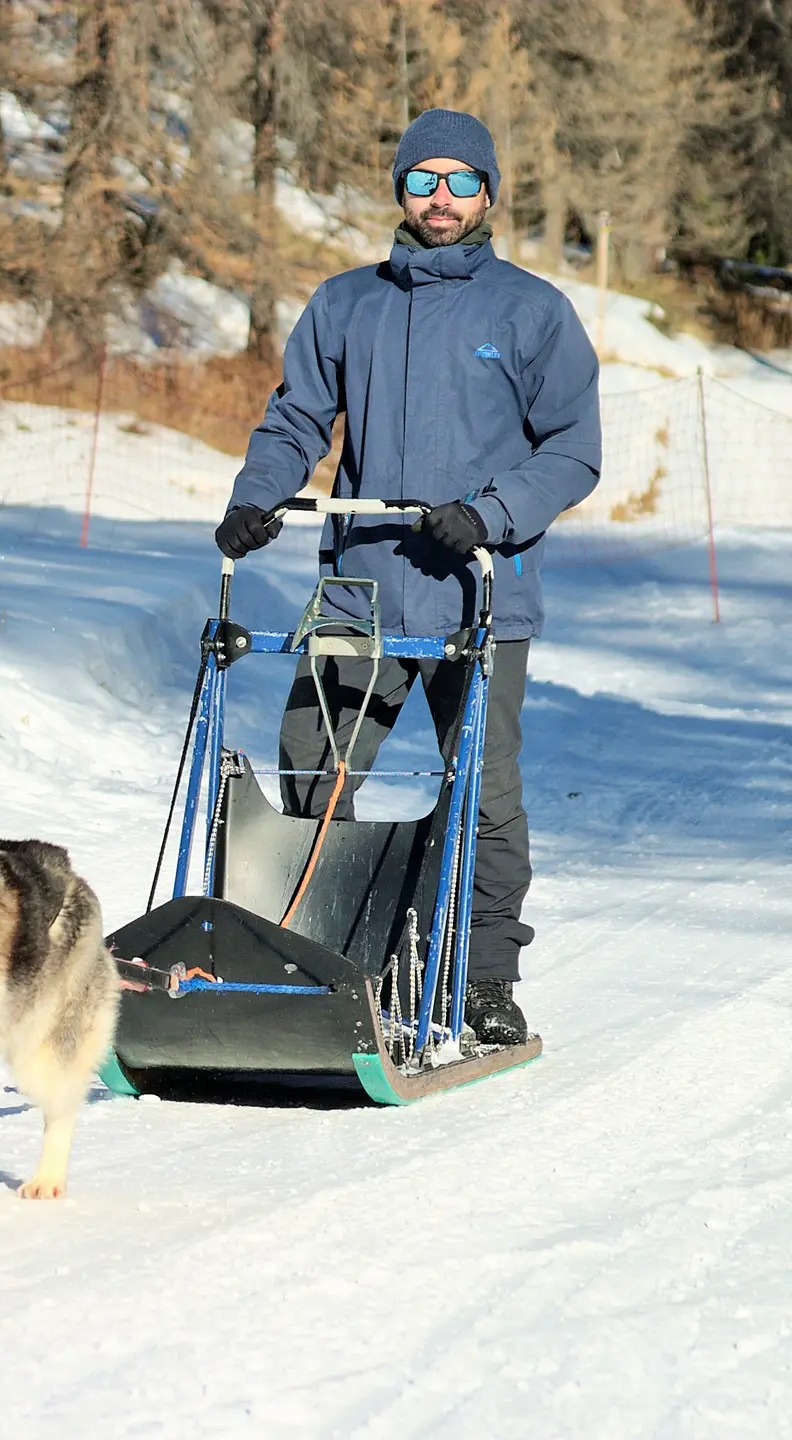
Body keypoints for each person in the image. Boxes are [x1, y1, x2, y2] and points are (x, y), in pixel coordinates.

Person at [216, 108, 601, 1046]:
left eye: (461, 182)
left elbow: (573, 453)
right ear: (399, 189)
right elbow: (297, 420)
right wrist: (258, 496)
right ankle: (306, 957)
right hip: (363, 589)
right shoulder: (348, 304)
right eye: (424, 179)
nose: (441, 198)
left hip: (482, 596)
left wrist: (492, 514)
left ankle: (481, 980)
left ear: (487, 194)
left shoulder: (532, 310)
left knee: (484, 791)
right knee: (315, 768)